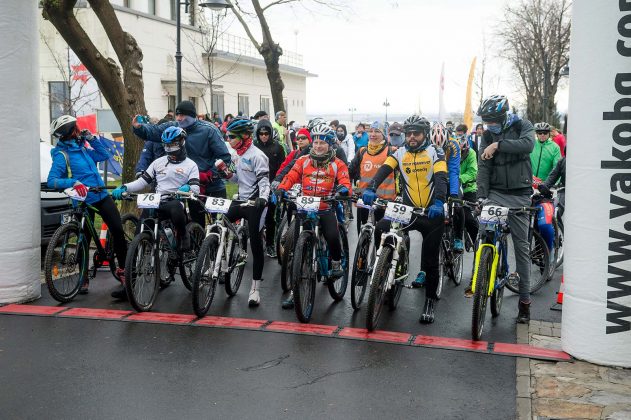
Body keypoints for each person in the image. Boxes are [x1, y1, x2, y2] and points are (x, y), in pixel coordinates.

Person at [362, 115, 447, 323]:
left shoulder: (435, 152)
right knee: (382, 227)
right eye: (408, 134)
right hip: (408, 209)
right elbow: (384, 170)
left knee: (430, 260)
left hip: (430, 212)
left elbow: (441, 178)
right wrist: (371, 187)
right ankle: (388, 263)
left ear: (424, 135)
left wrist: (439, 202)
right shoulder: (399, 153)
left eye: (415, 133)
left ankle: (429, 301)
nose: (411, 137)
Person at [111, 126, 200, 298]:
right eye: (166, 145)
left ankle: (184, 237)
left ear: (181, 143)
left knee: (175, 207)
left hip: (176, 201)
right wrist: (124, 188)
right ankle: (130, 283)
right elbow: (141, 182)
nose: (169, 149)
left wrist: (188, 186)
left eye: (173, 145)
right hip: (157, 201)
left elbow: (196, 187)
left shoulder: (191, 165)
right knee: (138, 238)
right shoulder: (158, 162)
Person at [47, 115, 127, 295]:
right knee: (84, 239)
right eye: (77, 128)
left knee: (117, 230)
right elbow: (53, 181)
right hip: (82, 201)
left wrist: (92, 139)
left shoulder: (82, 148)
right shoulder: (62, 155)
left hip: (101, 194)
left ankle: (123, 271)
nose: (80, 130)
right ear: (71, 132)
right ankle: (82, 277)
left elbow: (103, 155)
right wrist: (73, 182)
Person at [477, 94, 535, 323]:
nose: (489, 124)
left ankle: (525, 302)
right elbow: (483, 165)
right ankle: (481, 276)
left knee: (522, 248)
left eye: (492, 120)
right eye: (486, 121)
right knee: (485, 232)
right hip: (496, 193)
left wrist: (497, 145)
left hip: (520, 195)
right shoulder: (487, 133)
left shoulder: (523, 125)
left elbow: (527, 145)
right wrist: (482, 196)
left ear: (504, 115)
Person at [131, 100, 231, 227]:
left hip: (213, 186)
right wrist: (139, 128)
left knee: (217, 226)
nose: (179, 118)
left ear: (193, 116)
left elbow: (224, 157)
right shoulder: (173, 126)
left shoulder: (209, 130)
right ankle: (196, 244)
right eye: (177, 115)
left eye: (182, 115)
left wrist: (211, 174)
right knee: (197, 224)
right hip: (190, 185)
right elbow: (154, 131)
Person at [275, 123, 351, 279]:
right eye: (315, 142)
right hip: (304, 207)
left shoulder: (338, 163)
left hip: (325, 207)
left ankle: (336, 263)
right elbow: (291, 176)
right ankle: (294, 291)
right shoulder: (303, 160)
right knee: (297, 249)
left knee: (332, 235)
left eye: (322, 143)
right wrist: (282, 188)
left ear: (330, 144)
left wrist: (343, 189)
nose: (318, 146)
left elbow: (345, 180)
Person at [219, 117, 271, 306]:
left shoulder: (257, 156)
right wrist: (226, 174)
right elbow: (235, 180)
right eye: (227, 135)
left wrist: (263, 198)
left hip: (256, 202)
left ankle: (255, 290)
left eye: (232, 136)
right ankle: (222, 263)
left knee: (255, 244)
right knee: (221, 222)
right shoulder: (236, 154)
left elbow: (264, 182)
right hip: (241, 199)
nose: (229, 139)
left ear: (245, 136)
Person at [348, 121, 397, 235]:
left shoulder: (391, 151)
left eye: (377, 131)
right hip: (364, 199)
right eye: (371, 131)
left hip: (384, 201)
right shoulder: (362, 151)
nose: (373, 134)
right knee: (362, 235)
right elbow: (350, 171)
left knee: (380, 237)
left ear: (384, 134)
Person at [254, 118, 286, 258]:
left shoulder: (278, 147)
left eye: (266, 133)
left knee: (270, 217)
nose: (264, 136)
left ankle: (270, 245)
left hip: (272, 185)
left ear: (271, 133)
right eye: (261, 134)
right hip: (256, 186)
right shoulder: (254, 147)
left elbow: (282, 167)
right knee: (253, 215)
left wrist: (278, 184)